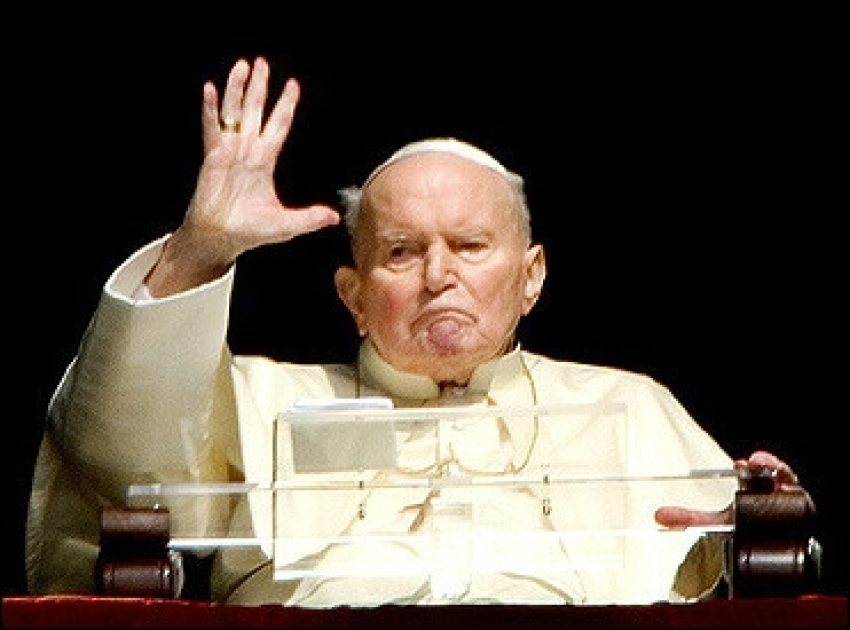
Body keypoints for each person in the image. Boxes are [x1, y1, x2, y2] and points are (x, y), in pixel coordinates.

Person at [25, 56, 805, 607]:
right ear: (354, 295)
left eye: (470, 247)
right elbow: (114, 463)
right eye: (402, 252)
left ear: (531, 276)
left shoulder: (632, 406)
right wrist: (199, 249)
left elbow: (730, 575)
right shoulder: (258, 399)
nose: (440, 274)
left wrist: (758, 511)